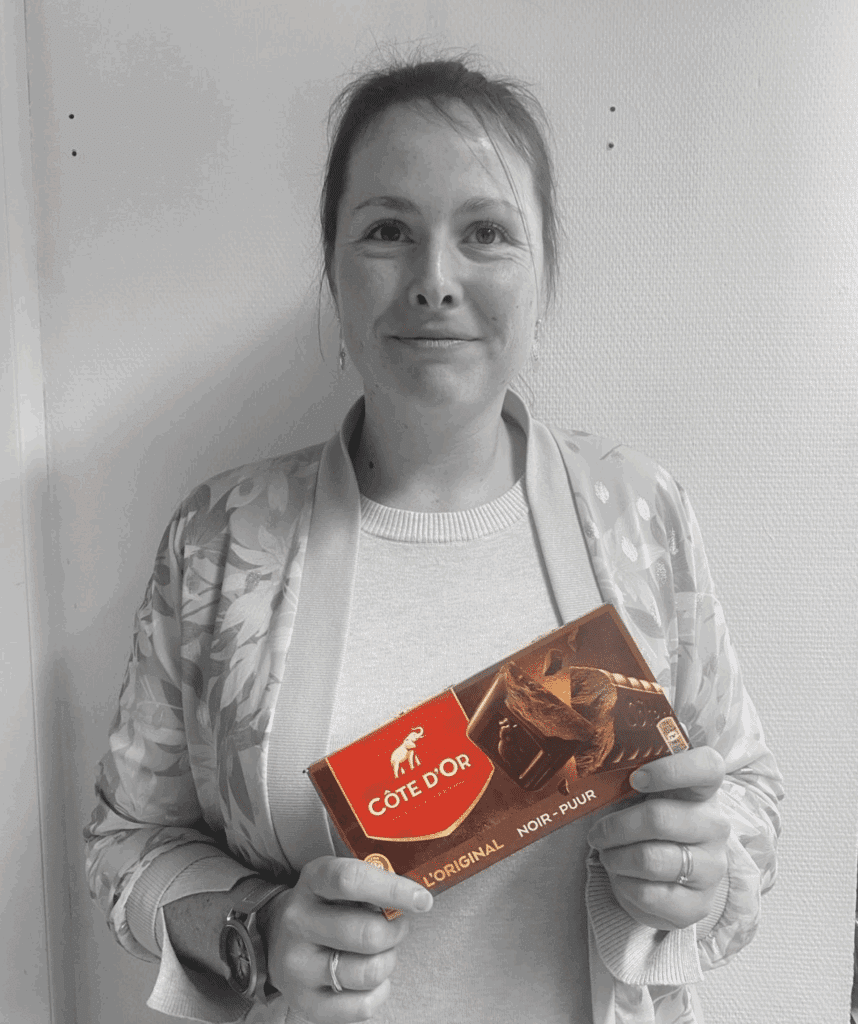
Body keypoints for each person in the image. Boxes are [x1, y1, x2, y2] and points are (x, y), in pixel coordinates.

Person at [84, 55, 783, 1024]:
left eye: (486, 232)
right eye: (387, 231)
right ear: (333, 270)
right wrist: (260, 929)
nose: (434, 281)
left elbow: (748, 789)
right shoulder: (221, 538)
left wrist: (703, 866)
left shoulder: (641, 511)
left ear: (543, 274)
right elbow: (126, 842)